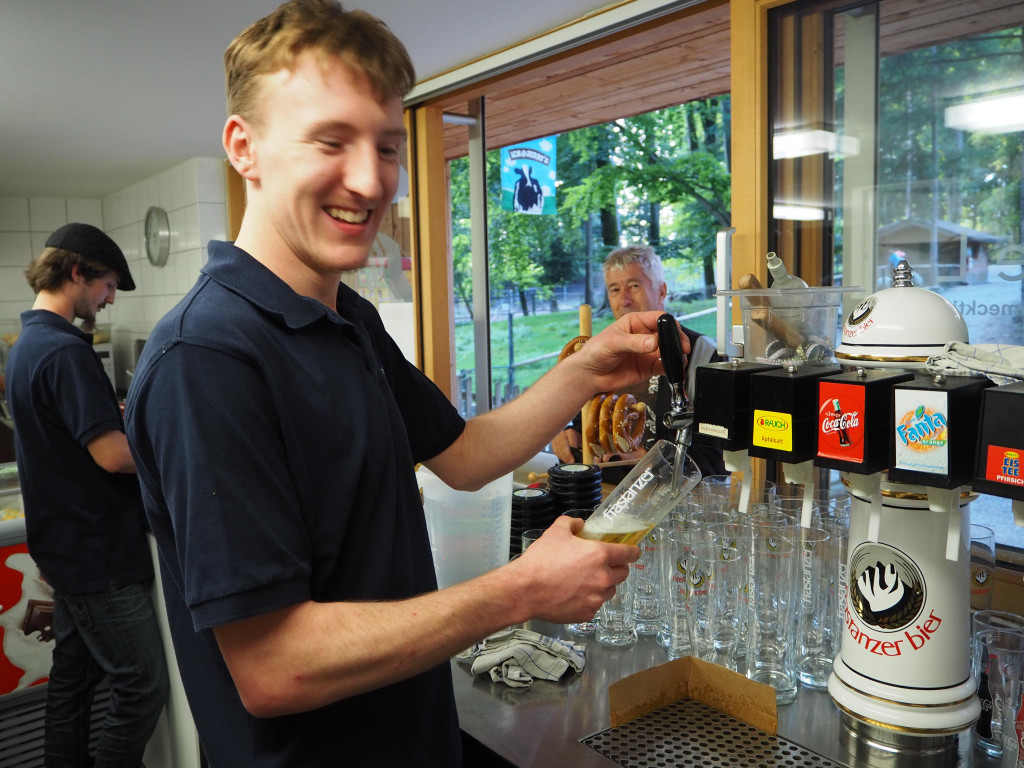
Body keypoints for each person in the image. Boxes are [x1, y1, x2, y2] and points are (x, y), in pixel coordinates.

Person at [123, 2, 687, 766]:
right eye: (331, 140)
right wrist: (519, 591)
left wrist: (586, 371)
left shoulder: (343, 318)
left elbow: (464, 454)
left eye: (387, 147)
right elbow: (275, 666)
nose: (369, 180)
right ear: (244, 147)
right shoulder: (207, 358)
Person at [5, 223, 169, 767]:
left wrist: (109, 418)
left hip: (65, 550)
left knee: (73, 682)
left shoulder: (27, 345)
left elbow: (67, 437)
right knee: (142, 684)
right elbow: (113, 457)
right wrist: (169, 447)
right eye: (108, 284)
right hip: (99, 557)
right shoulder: (64, 351)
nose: (110, 298)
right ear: (77, 272)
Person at [551, 244, 726, 477]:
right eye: (615, 289)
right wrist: (567, 434)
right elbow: (584, 423)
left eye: (634, 286)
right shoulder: (600, 354)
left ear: (661, 291)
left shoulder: (704, 354)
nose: (624, 300)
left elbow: (717, 453)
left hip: (671, 494)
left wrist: (653, 460)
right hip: (604, 491)